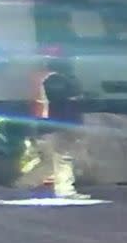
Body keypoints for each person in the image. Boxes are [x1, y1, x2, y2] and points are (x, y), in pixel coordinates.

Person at [34, 53, 89, 199]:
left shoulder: (53, 78)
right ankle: (65, 190)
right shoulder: (55, 79)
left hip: (60, 122)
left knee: (60, 158)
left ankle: (63, 188)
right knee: (62, 157)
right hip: (59, 123)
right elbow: (60, 98)